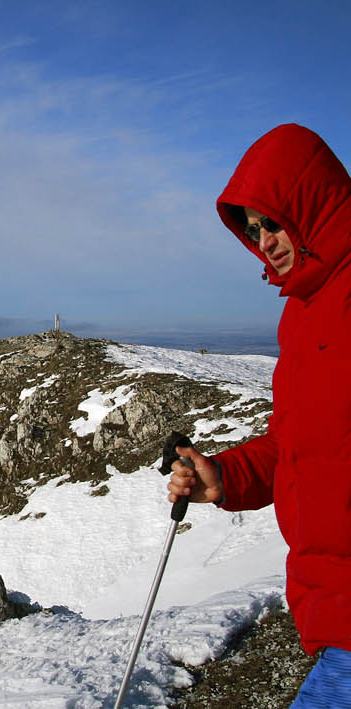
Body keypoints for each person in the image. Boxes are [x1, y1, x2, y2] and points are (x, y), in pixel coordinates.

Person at [167, 123, 351, 706]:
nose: (265, 240)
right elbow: (301, 443)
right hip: (329, 612)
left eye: (273, 221)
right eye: (252, 230)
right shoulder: (302, 313)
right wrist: (228, 476)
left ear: (311, 201)